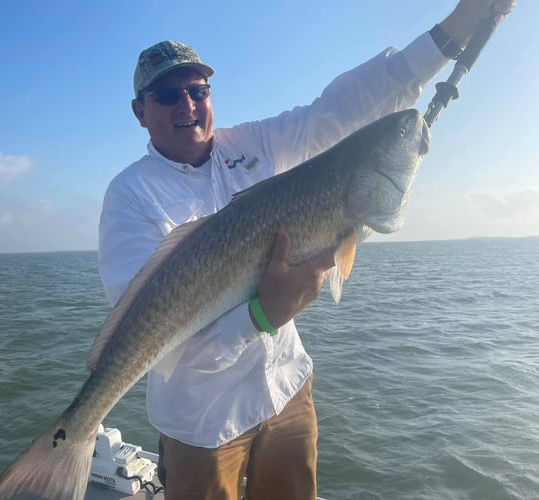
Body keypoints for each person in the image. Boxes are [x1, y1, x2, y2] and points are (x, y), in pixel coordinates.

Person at [98, 1, 515, 498]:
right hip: (203, 425)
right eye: (169, 94)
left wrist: (456, 28)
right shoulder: (131, 196)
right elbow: (157, 341)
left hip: (287, 391)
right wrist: (260, 315)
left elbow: (342, 107)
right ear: (139, 111)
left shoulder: (251, 143)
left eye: (198, 90)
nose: (187, 104)